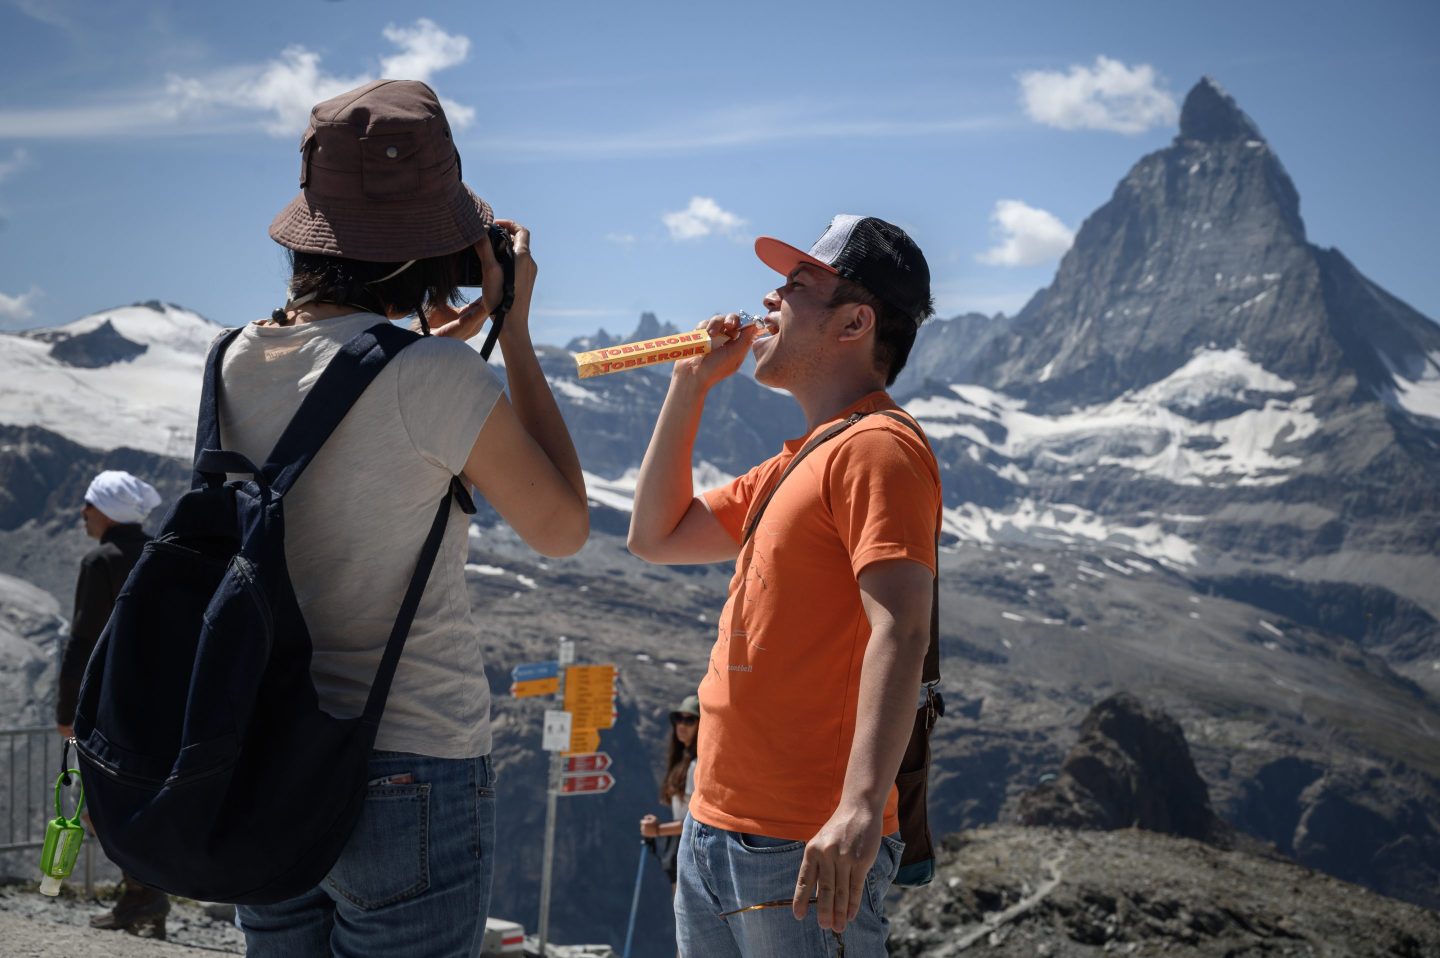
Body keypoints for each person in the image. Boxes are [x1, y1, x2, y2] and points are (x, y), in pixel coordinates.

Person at [223, 79, 588, 957]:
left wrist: (441, 343)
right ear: (435, 243)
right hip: (409, 763)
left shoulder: (233, 358)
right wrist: (515, 330)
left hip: (259, 750)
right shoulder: (432, 380)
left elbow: (348, 392)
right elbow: (563, 526)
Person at [628, 215, 941, 957]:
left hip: (801, 841)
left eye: (798, 285)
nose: (768, 298)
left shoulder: (877, 449)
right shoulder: (803, 458)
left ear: (855, 322)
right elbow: (656, 536)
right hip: (715, 827)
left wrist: (861, 809)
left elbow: (902, 626)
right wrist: (689, 384)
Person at [56, 470, 169, 936]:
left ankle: (143, 896)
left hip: (110, 705)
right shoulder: (165, 553)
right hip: (165, 702)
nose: (82, 512)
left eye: (88, 503)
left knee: (103, 803)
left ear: (104, 509)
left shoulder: (100, 561)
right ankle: (147, 894)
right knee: (148, 797)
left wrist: (66, 710)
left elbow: (84, 640)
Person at [639, 694, 701, 891]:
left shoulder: (695, 766)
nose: (681, 725)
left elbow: (695, 821)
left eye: (690, 720)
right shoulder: (685, 761)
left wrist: (656, 830)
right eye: (678, 719)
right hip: (686, 850)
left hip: (690, 852)